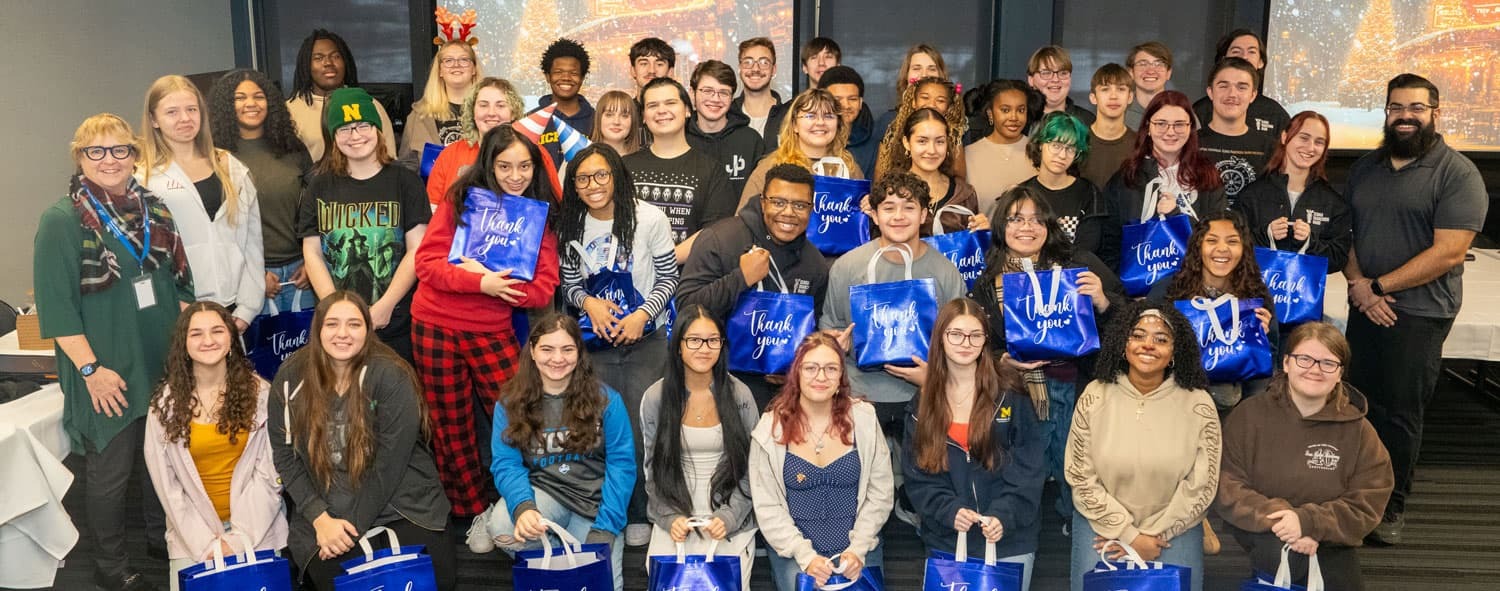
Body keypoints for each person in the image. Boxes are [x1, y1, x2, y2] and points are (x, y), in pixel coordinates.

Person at [35, 113, 193, 591]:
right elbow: (57, 311)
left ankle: (158, 541)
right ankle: (109, 565)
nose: (109, 160)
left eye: (120, 149)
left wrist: (186, 356)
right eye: (96, 151)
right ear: (79, 157)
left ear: (135, 155)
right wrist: (91, 370)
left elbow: (179, 283)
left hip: (158, 359)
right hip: (105, 368)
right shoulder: (62, 220)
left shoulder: (155, 210)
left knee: (159, 460)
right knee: (111, 471)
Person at [1344, 74, 1486, 545]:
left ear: (1435, 113)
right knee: (1358, 403)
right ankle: (1356, 493)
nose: (1405, 116)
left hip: (1421, 313)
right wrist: (1361, 287)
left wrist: (1379, 286)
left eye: (1416, 108)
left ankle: (1391, 505)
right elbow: (1348, 235)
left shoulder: (1457, 173)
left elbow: (1449, 252)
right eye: (1396, 107)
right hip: (1365, 306)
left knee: (1399, 412)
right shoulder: (1365, 168)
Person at [412, 124, 561, 521]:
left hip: (492, 329)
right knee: (450, 424)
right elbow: (426, 264)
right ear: (489, 165)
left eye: (524, 166)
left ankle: (535, 502)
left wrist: (500, 287)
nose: (515, 176)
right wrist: (479, 282)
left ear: (536, 167)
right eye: (505, 166)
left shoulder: (538, 215)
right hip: (434, 323)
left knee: (520, 414)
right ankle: (472, 511)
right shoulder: (462, 199)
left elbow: (542, 289)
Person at [268, 292, 454, 591]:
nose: (343, 333)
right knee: (341, 581)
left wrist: (350, 530)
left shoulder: (391, 373)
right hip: (328, 506)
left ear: (368, 330)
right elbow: (285, 455)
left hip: (402, 502)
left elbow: (389, 466)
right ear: (317, 329)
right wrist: (319, 518)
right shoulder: (291, 376)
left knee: (429, 581)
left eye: (354, 324)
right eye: (332, 324)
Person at [970, 186, 1123, 526]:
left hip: (1080, 387)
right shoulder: (987, 282)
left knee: (1080, 470)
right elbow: (980, 344)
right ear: (1001, 227)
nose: (1027, 227)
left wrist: (1103, 301)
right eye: (1016, 219)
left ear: (1049, 226)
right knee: (1025, 471)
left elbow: (1128, 320)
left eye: (1037, 219)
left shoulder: (1080, 265)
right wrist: (1002, 361)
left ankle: (1081, 530)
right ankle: (1024, 535)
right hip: (1021, 393)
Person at [557, 142, 675, 545]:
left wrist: (643, 315)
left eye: (601, 175)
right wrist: (589, 303)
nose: (593, 185)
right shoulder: (571, 224)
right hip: (596, 344)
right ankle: (609, 512)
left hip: (646, 342)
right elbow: (569, 286)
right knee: (600, 428)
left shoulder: (649, 218)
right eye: (583, 179)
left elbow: (668, 278)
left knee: (645, 429)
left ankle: (644, 511)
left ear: (617, 177)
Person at [1217, 322, 1395, 589]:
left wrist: (1309, 523)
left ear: (1340, 373)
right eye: (1304, 359)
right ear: (1286, 363)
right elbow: (1227, 484)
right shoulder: (1248, 415)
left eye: (1328, 363)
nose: (1315, 369)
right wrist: (1284, 519)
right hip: (1261, 526)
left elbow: (1369, 499)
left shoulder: (1359, 430)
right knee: (1287, 558)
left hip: (1329, 533)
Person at [1066, 301, 1219, 591]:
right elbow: (1079, 475)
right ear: (1123, 345)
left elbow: (1203, 484)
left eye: (1161, 339)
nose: (1148, 345)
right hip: (1101, 521)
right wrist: (1128, 534)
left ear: (1175, 352)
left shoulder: (1199, 404)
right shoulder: (1094, 395)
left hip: (1175, 527)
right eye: (1138, 336)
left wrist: (1154, 536)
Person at [484, 315, 636, 591]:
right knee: (504, 526)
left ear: (579, 353)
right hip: (545, 496)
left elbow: (622, 467)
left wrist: (605, 529)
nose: (557, 358)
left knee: (603, 585)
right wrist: (523, 507)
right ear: (532, 351)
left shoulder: (607, 400)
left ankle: (565, 561)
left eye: (567, 349)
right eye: (547, 349)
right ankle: (559, 561)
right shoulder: (510, 402)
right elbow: (506, 463)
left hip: (595, 507)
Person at [903, 298, 1046, 590]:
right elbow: (918, 477)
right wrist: (949, 511)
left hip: (1009, 539)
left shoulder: (1010, 392)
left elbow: (1031, 465)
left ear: (985, 341)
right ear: (940, 338)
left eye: (975, 335)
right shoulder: (922, 404)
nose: (966, 343)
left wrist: (1004, 514)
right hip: (947, 540)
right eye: (956, 334)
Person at [144, 302, 286, 591]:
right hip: (191, 537)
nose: (208, 340)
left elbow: (270, 475)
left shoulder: (261, 395)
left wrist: (237, 540)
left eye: (217, 331)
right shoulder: (164, 406)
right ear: (183, 345)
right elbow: (167, 487)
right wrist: (206, 545)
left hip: (257, 528)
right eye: (196, 333)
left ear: (231, 338)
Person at [820, 171, 966, 447]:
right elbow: (830, 327)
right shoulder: (847, 267)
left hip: (924, 395)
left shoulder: (945, 272)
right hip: (860, 396)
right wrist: (837, 343)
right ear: (874, 215)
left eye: (909, 207)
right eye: (888, 208)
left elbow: (960, 339)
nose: (899, 216)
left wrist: (934, 380)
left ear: (923, 215)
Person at [678, 164, 831, 407]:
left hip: (782, 396)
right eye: (778, 202)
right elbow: (686, 307)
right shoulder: (720, 239)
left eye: (800, 205)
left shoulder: (815, 264)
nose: (789, 212)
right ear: (762, 202)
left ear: (811, 209)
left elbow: (811, 329)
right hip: (716, 384)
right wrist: (741, 278)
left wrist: (795, 365)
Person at [750, 333, 893, 591]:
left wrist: (857, 550)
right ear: (796, 374)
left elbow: (880, 493)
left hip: (858, 550)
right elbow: (767, 506)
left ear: (841, 377)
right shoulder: (769, 429)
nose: (821, 376)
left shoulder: (864, 419)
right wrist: (806, 557)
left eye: (831, 369)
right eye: (811, 368)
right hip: (795, 554)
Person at [299, 88, 430, 363]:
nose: (355, 136)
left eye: (363, 125)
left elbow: (416, 249)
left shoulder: (406, 182)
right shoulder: (318, 186)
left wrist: (386, 305)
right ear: (333, 137)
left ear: (377, 129)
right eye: (344, 129)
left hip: (395, 322)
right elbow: (312, 252)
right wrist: (337, 312)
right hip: (337, 329)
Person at [640, 307, 760, 587]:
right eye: (694, 340)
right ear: (678, 346)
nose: (704, 348)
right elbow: (652, 471)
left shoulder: (740, 395)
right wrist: (670, 517)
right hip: (674, 516)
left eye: (712, 340)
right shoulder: (656, 397)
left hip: (730, 518)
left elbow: (753, 469)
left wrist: (729, 516)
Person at [138, 75, 263, 330]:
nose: (185, 118)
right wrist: (177, 310)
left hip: (234, 310)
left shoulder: (229, 166)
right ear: (153, 120)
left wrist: (248, 309)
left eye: (192, 109)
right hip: (178, 312)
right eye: (172, 112)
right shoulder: (144, 179)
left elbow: (252, 241)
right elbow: (146, 258)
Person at [208, 69, 316, 312]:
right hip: (246, 276)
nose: (251, 103)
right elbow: (215, 227)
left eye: (258, 96)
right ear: (226, 105)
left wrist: (312, 262)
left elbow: (315, 209)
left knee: (308, 338)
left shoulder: (292, 148)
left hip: (301, 273)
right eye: (240, 98)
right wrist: (253, 275)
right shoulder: (216, 156)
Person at [1148, 210, 1277, 409]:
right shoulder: (1167, 291)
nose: (1222, 249)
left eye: (1232, 241)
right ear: (1198, 246)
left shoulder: (1256, 294)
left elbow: (1271, 361)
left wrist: (1261, 340)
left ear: (1244, 248)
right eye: (1212, 241)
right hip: (1175, 395)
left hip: (1240, 400)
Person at [625, 77, 736, 263]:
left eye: (670, 103)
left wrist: (663, 261)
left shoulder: (712, 170)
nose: (661, 110)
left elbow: (715, 232)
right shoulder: (624, 167)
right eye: (652, 105)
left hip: (688, 277)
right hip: (631, 275)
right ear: (643, 116)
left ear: (687, 110)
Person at [1232, 111, 1351, 273]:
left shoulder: (1334, 204)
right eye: (1304, 138)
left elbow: (1339, 258)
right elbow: (1233, 245)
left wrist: (1309, 242)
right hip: (1255, 287)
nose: (1310, 147)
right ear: (1284, 137)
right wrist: (1266, 235)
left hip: (1303, 288)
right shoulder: (1252, 195)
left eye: (1319, 142)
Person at [1104, 90, 1226, 235]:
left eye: (1179, 124)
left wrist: (1175, 215)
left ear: (1190, 128)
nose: (1170, 132)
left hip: (1192, 251)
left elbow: (1216, 236)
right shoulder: (1127, 177)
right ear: (1148, 127)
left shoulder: (1207, 176)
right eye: (1161, 124)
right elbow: (1111, 239)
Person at [737, 89, 863, 210]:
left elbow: (861, 217)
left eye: (828, 116)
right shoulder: (772, 166)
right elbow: (744, 218)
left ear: (838, 124)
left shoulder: (849, 167)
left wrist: (867, 206)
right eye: (810, 115)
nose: (820, 122)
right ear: (794, 125)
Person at [1019, 112, 1115, 265]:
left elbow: (1087, 251)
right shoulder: (1021, 193)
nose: (1062, 155)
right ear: (1040, 145)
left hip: (1073, 276)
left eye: (1070, 149)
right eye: (1056, 145)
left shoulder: (1089, 194)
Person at [285, 29, 396, 161]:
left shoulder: (369, 105)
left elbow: (389, 158)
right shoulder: (290, 111)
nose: (328, 63)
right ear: (306, 65)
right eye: (318, 58)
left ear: (345, 62)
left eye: (336, 56)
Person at [874, 107, 986, 235]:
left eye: (940, 141)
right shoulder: (887, 192)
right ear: (906, 143)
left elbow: (973, 243)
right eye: (922, 141)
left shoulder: (964, 194)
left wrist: (983, 232)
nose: (932, 150)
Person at [425, 77, 524, 206]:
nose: (491, 113)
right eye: (483, 105)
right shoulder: (450, 155)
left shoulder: (532, 154)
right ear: (473, 111)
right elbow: (432, 208)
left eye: (500, 105)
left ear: (513, 113)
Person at [1197, 58, 1278, 205]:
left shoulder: (1271, 149)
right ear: (1210, 92)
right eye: (1223, 86)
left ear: (1253, 95)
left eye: (1242, 87)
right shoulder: (1190, 143)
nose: (1232, 94)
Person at [687, 60, 767, 199]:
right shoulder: (680, 138)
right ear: (692, 93)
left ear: (732, 98)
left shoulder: (751, 141)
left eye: (724, 93)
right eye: (707, 91)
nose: (715, 99)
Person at [1193, 30, 1291, 140]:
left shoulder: (1275, 113)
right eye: (1236, 51)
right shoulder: (1201, 110)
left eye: (1251, 52)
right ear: (1223, 59)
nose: (1244, 57)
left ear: (1261, 62)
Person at [399, 40, 480, 171]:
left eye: (464, 59)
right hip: (432, 184)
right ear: (440, 71)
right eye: (448, 60)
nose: (456, 65)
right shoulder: (419, 115)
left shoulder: (490, 113)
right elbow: (407, 165)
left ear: (474, 69)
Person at [874, 76, 971, 185]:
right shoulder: (894, 132)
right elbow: (880, 175)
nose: (932, 104)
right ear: (914, 102)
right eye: (925, 98)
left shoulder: (954, 136)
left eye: (940, 100)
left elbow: (959, 178)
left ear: (948, 107)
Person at [965, 80, 1036, 215]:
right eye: (1005, 110)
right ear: (990, 113)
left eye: (1021, 110)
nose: (1014, 117)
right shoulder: (968, 155)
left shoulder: (1040, 152)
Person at [532, 38, 596, 168]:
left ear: (582, 78)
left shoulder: (596, 120)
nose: (566, 78)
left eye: (574, 73)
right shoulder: (532, 120)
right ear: (548, 76)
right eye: (558, 72)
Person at [872, 44, 951, 146]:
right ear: (906, 75)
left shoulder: (957, 125)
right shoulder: (888, 122)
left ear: (941, 76)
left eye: (932, 69)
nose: (924, 75)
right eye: (917, 68)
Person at [1079, 64, 1138, 190]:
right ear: (1093, 98)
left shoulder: (1140, 145)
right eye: (1105, 89)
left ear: (1130, 97)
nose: (1113, 96)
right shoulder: (1077, 141)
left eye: (1121, 89)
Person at [818, 66, 879, 177]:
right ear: (821, 102)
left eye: (852, 99)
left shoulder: (875, 142)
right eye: (837, 100)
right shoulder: (811, 138)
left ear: (860, 102)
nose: (846, 105)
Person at [732, 36, 787, 138]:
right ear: (740, 68)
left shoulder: (789, 116)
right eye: (748, 62)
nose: (755, 69)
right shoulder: (727, 115)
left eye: (764, 63)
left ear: (774, 69)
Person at [1026, 45, 1095, 127]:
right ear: (1031, 80)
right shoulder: (1021, 120)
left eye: (1063, 73)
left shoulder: (1087, 121)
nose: (1055, 79)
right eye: (1046, 73)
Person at [1124, 41, 1173, 131]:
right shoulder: (1118, 112)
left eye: (1158, 64)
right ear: (1131, 72)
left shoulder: (1183, 113)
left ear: (1168, 73)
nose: (1151, 71)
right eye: (1143, 64)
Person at [590, 90, 643, 157]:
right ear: (598, 119)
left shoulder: (643, 159)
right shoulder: (585, 158)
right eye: (609, 115)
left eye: (624, 116)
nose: (616, 122)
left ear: (633, 121)